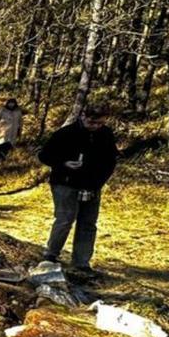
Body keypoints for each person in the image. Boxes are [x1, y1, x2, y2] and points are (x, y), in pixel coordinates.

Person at [38, 103, 118, 273]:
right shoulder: (66, 133)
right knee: (65, 219)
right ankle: (51, 254)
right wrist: (64, 163)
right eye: (92, 123)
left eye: (100, 123)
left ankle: (81, 262)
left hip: (93, 185)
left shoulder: (106, 134)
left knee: (88, 223)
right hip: (65, 183)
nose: (95, 126)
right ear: (83, 116)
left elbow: (111, 161)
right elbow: (44, 155)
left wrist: (99, 181)